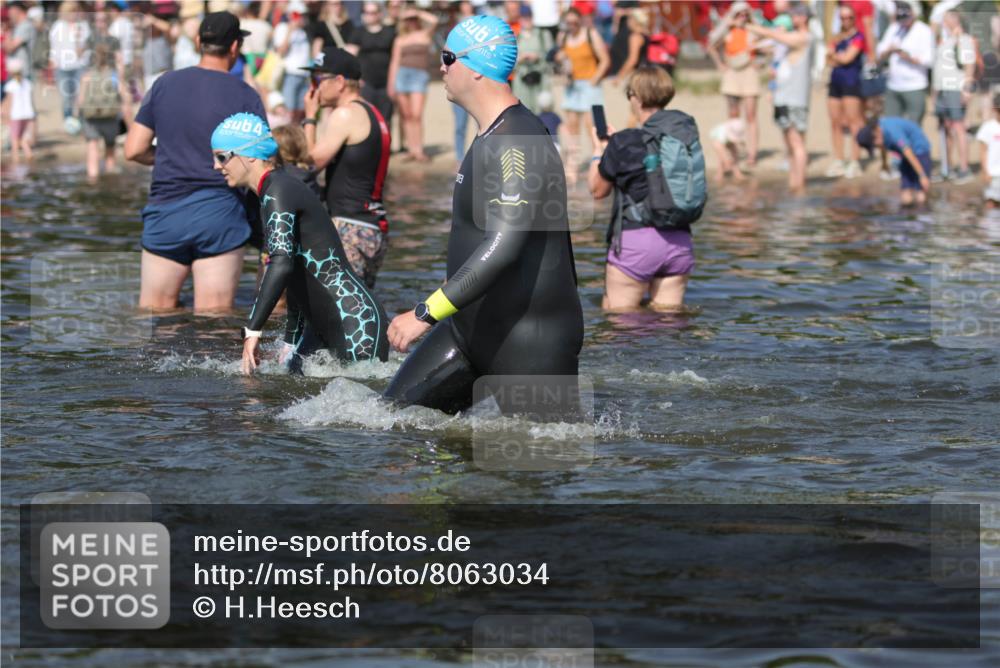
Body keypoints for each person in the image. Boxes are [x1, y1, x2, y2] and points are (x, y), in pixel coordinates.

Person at [384, 14, 583, 414]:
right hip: (468, 328)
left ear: (477, 68)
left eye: (449, 56)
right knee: (392, 423)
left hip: (528, 339)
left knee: (531, 464)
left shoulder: (517, 141)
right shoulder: (492, 133)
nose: (440, 67)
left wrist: (425, 313)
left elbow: (504, 246)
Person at [209, 113, 389, 374]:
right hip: (322, 325)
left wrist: (252, 330)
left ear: (249, 155)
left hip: (355, 322)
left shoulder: (279, 191)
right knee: (288, 384)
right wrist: (290, 341)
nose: (216, 166)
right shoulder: (272, 192)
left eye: (222, 156)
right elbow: (295, 273)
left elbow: (280, 263)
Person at [125, 11, 266, 313]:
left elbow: (133, 149)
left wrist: (167, 157)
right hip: (220, 215)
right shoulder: (245, 95)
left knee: (155, 315)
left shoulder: (164, 84)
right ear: (234, 47)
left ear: (199, 41)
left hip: (165, 214)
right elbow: (259, 162)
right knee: (213, 322)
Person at [588, 66, 696, 311]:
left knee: (619, 322)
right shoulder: (683, 137)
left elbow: (598, 191)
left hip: (636, 244)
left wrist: (600, 153)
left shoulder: (623, 141)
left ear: (635, 97)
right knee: (669, 324)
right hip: (680, 241)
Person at [302, 47, 391, 289]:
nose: (313, 87)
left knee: (339, 310)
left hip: (349, 228)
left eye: (317, 79)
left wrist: (310, 116)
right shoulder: (372, 111)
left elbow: (309, 164)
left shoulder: (345, 114)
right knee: (359, 309)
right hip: (373, 227)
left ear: (339, 82)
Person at [748, 2, 814, 191]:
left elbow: (775, 35)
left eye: (795, 16)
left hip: (794, 99)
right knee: (789, 144)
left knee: (797, 143)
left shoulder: (803, 37)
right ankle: (794, 183)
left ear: (804, 18)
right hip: (783, 98)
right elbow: (768, 45)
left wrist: (753, 27)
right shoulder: (790, 40)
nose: (792, 19)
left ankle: (799, 185)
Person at [556, 6, 611, 185]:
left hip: (589, 85)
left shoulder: (590, 34)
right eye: (568, 22)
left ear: (580, 20)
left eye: (574, 21)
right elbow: (560, 60)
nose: (571, 25)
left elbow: (605, 59)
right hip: (572, 86)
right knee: (572, 129)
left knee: (592, 128)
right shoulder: (563, 37)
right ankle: (572, 167)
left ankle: (600, 164)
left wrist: (594, 79)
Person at [708, 1, 760, 168]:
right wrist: (720, 64)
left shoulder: (752, 28)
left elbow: (767, 41)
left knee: (751, 114)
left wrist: (762, 60)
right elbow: (711, 43)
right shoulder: (727, 29)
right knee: (733, 114)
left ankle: (752, 153)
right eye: (739, 14)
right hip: (732, 72)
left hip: (749, 72)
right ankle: (735, 151)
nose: (742, 18)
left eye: (745, 14)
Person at [387, 7, 437, 163]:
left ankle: (419, 150)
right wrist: (391, 83)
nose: (411, 22)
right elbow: (394, 62)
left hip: (419, 76)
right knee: (406, 116)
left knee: (416, 115)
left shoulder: (425, 35)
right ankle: (411, 150)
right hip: (402, 76)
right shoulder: (400, 39)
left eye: (413, 19)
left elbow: (434, 20)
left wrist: (414, 12)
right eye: (408, 19)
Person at [933, 9, 976, 183]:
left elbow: (969, 66)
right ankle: (947, 167)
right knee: (945, 127)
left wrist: (966, 89)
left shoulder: (963, 40)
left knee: (958, 127)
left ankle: (964, 169)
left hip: (955, 88)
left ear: (953, 20)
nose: (942, 23)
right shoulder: (945, 41)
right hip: (942, 89)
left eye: (945, 19)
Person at [876, 0, 934, 124]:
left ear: (913, 14)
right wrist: (889, 50)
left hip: (915, 86)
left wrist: (909, 58)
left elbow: (930, 59)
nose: (903, 21)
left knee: (913, 127)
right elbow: (880, 51)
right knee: (891, 126)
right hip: (893, 85)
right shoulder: (894, 28)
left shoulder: (924, 31)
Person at [825, 3, 866, 179]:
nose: (846, 21)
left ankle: (855, 160)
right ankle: (839, 159)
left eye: (849, 17)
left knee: (853, 122)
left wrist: (836, 57)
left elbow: (847, 58)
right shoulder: (837, 37)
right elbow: (830, 59)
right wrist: (836, 57)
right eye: (842, 18)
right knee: (835, 122)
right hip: (835, 81)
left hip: (851, 82)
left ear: (854, 18)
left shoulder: (859, 37)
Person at [856, 115, 932, 205]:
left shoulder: (893, 132)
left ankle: (922, 212)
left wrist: (922, 175)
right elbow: (882, 147)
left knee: (920, 191)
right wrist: (884, 164)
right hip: (905, 155)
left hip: (919, 151)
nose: (877, 147)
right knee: (905, 193)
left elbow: (908, 152)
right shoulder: (879, 131)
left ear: (876, 132)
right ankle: (907, 215)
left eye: (875, 144)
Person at [78, 42, 125, 179]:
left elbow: (80, 100)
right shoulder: (113, 75)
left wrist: (78, 116)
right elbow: (123, 94)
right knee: (110, 148)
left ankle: (93, 177)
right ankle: (110, 177)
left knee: (92, 146)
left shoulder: (87, 76)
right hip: (110, 115)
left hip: (91, 117)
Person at [346, 1, 396, 130]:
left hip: (386, 84)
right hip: (366, 83)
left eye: (373, 13)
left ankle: (385, 149)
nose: (370, 16)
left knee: (386, 120)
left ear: (379, 14)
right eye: (366, 12)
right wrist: (356, 78)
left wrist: (394, 81)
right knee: (367, 119)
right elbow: (349, 57)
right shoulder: (358, 32)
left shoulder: (390, 32)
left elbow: (397, 58)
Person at [48, 1, 90, 123]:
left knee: (80, 95)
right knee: (66, 96)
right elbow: (54, 46)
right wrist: (53, 62)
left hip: (79, 65)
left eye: (76, 10)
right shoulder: (58, 26)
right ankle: (68, 120)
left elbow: (84, 49)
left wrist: (78, 39)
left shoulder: (83, 25)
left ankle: (81, 120)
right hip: (62, 66)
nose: (74, 14)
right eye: (71, 11)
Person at [274, 2, 312, 123]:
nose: (301, 18)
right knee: (288, 112)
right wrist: (290, 30)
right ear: (291, 15)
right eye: (297, 15)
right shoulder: (282, 28)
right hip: (290, 74)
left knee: (300, 113)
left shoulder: (304, 32)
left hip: (304, 75)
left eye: (303, 15)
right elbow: (280, 51)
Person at [512, 6, 553, 115]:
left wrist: (538, 57)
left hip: (540, 81)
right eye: (524, 17)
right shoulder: (515, 38)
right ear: (519, 19)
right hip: (522, 83)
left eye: (528, 17)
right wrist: (520, 59)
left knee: (542, 116)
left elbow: (551, 59)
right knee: (524, 117)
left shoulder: (543, 35)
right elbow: (510, 63)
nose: (526, 20)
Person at [2, 59, 35, 164]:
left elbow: (9, 102)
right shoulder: (28, 83)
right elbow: (31, 100)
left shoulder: (10, 85)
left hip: (16, 115)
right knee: (23, 137)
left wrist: (5, 115)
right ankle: (27, 151)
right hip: (28, 114)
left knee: (14, 139)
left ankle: (15, 159)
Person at [709, 111, 747, 182]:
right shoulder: (722, 133)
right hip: (717, 140)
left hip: (728, 139)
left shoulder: (738, 127)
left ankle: (737, 172)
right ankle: (719, 173)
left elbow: (741, 139)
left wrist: (742, 143)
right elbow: (719, 147)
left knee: (735, 154)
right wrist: (726, 160)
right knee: (721, 158)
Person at [976, 94, 1000, 208]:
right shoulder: (988, 127)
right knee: (990, 202)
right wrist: (985, 171)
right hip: (993, 173)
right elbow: (982, 151)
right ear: (995, 109)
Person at [5, 2, 36, 76]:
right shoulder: (17, 26)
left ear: (17, 11)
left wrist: (7, 32)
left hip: (22, 72)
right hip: (15, 70)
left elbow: (10, 47)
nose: (9, 15)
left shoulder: (25, 26)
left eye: (10, 12)